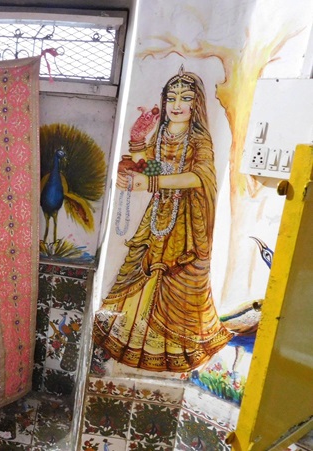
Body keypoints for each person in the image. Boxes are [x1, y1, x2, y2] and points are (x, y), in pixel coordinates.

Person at [93, 66, 233, 372]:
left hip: (185, 222)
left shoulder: (199, 139)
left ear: (196, 104)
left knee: (173, 277)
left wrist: (150, 182)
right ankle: (132, 343)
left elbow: (199, 177)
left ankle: (172, 352)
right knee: (140, 270)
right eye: (171, 98)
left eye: (185, 97)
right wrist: (137, 142)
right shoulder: (163, 134)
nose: (177, 104)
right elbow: (153, 168)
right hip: (158, 214)